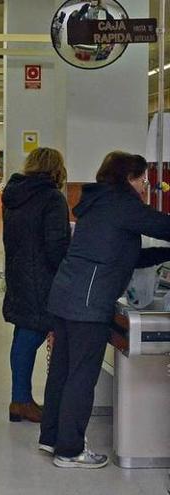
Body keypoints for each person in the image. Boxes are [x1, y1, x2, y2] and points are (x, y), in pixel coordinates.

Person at [40, 151, 170, 469]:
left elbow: (126, 257)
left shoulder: (98, 203)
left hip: (67, 294)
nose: (144, 186)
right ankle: (69, 451)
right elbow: (162, 225)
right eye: (142, 179)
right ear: (129, 178)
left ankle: (51, 437)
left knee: (62, 370)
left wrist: (164, 255)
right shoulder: (123, 204)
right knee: (81, 376)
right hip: (88, 301)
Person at [2, 148, 70, 424]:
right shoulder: (51, 198)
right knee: (30, 336)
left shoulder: (14, 195)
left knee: (24, 336)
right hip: (42, 277)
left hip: (19, 272)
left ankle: (20, 399)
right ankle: (21, 400)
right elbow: (56, 246)